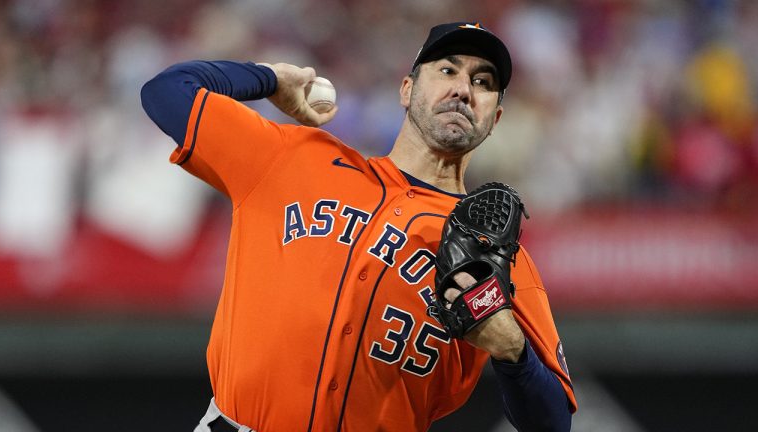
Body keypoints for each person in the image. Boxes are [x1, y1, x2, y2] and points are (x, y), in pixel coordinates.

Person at [141, 21, 577, 432]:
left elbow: (554, 422)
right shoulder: (293, 159)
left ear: (494, 118)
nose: (464, 89)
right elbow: (167, 92)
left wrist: (513, 353)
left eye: (484, 83)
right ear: (406, 90)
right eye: (447, 70)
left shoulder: (496, 257)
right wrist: (269, 78)